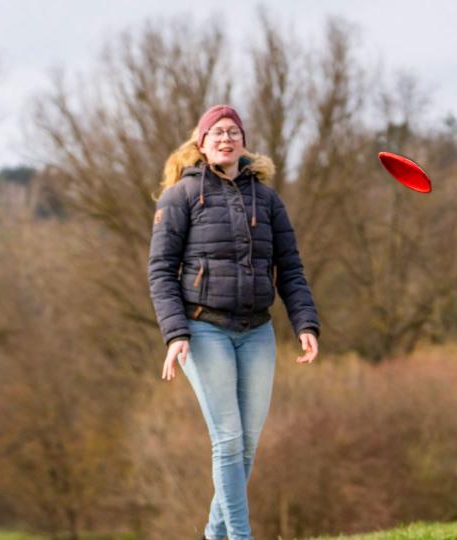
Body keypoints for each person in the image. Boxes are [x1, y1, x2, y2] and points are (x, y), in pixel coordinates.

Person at [148, 104, 320, 540]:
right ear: (201, 144)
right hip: (203, 329)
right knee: (227, 442)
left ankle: (213, 533)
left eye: (233, 132)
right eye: (217, 133)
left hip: (257, 331)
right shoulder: (180, 197)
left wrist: (305, 324)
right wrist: (175, 334)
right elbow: (160, 270)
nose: (226, 139)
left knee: (246, 445)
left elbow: (291, 267)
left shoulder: (267, 198)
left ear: (243, 142)